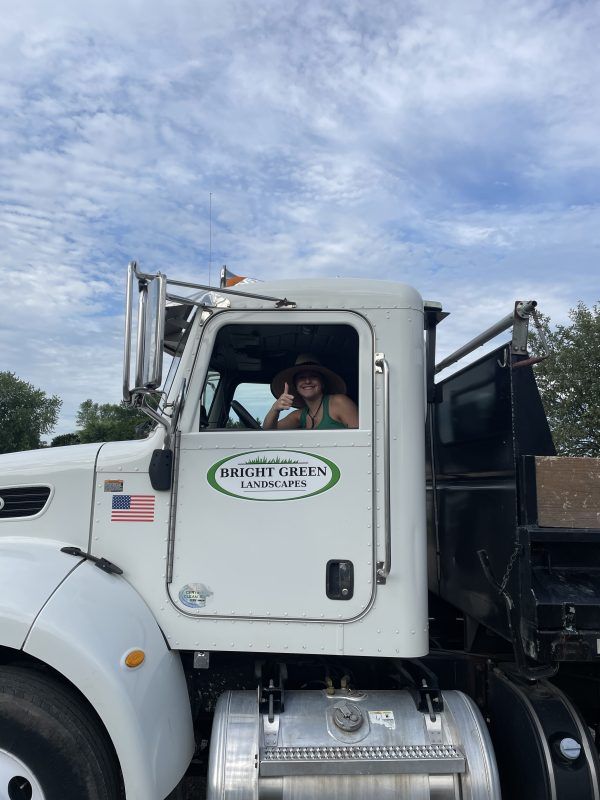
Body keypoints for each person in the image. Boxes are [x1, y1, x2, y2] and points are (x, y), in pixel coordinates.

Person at [263, 354, 358, 430]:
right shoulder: (299, 415)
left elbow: (361, 439)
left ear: (322, 383)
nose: (307, 381)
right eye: (302, 377)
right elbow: (268, 431)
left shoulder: (339, 402)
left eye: (313, 376)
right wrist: (275, 409)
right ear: (296, 387)